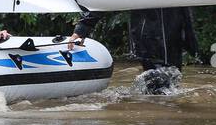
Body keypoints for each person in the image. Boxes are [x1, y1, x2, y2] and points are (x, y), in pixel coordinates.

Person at [67, 7, 199, 93]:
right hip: (150, 37)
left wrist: (190, 40)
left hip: (174, 35)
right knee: (160, 89)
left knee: (168, 86)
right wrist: (83, 27)